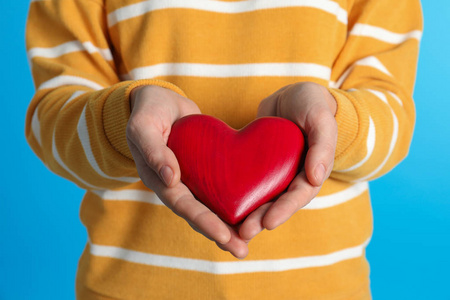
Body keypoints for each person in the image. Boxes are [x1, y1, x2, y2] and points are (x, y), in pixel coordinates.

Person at [25, 0, 422, 299]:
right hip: (129, 288)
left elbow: (393, 120)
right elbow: (51, 123)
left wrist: (335, 122)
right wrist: (123, 120)